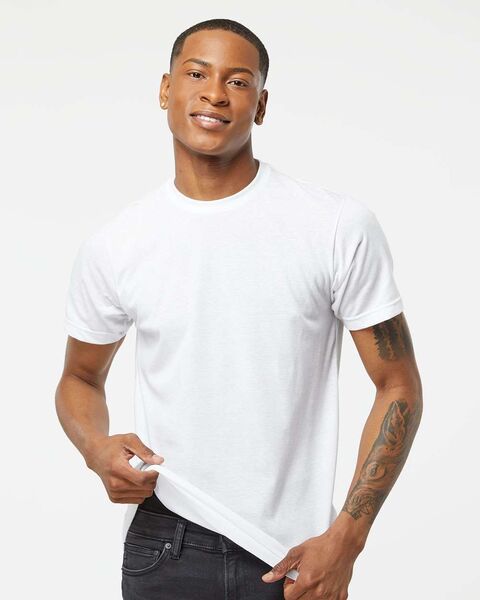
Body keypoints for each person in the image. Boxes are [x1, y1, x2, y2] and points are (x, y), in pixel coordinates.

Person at [55, 17, 423, 600]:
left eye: (238, 81)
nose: (214, 93)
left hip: (294, 554)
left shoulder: (334, 226)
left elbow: (397, 384)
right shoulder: (118, 243)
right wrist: (95, 448)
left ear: (262, 105)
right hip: (166, 541)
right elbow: (79, 377)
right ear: (165, 90)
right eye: (196, 74)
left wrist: (347, 539)